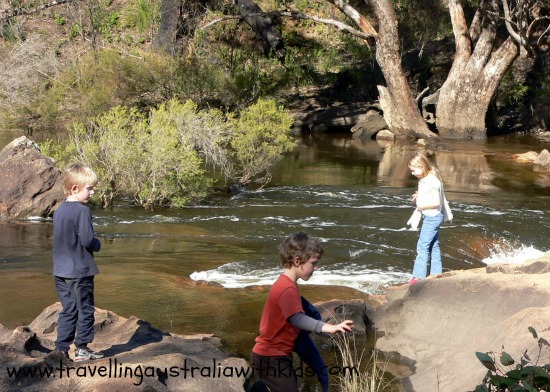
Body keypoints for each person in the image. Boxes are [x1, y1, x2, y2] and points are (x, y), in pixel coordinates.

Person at [251, 232, 354, 392]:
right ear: (298, 261)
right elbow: (297, 319)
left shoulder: (285, 283)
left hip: (271, 356)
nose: (316, 268)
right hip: (271, 357)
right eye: (313, 263)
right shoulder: (287, 289)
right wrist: (328, 327)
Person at [49, 163, 104, 364]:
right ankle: (82, 349)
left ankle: (61, 349)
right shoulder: (82, 211)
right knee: (86, 308)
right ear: (74, 188)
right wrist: (98, 244)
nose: (92, 191)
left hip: (60, 271)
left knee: (68, 309)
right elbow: (88, 240)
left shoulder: (59, 210)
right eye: (89, 188)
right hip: (80, 271)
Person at [407, 152, 450, 284]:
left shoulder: (431, 181)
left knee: (422, 246)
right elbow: (429, 194)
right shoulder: (428, 178)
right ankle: (436, 274)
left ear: (421, 166)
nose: (412, 174)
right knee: (433, 245)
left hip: (432, 217)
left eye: (413, 170)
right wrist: (419, 195)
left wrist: (421, 206)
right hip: (434, 216)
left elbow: (436, 201)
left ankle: (418, 277)